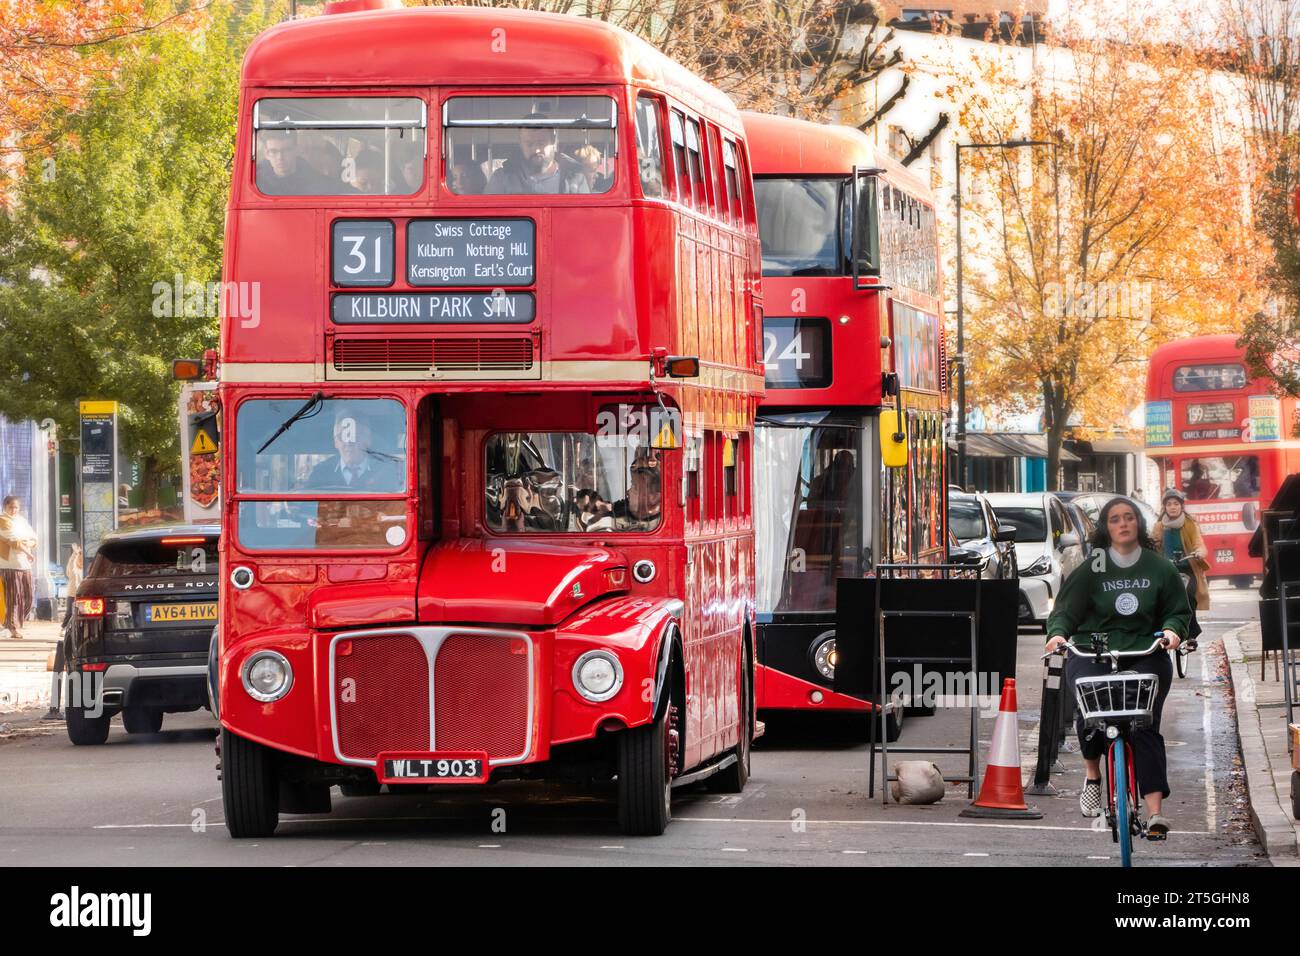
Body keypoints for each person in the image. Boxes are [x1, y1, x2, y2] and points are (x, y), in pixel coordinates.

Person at [1044, 496, 1190, 840]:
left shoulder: (1160, 568)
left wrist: (1171, 631)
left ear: (1138, 523)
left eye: (1128, 518)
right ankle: (1093, 775)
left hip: (1145, 651)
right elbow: (1065, 611)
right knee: (1090, 713)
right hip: (1093, 651)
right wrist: (1058, 635)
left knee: (1145, 726)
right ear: (1106, 529)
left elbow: (1178, 611)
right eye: (1114, 519)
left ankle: (1155, 814)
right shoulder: (1092, 568)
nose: (1123, 524)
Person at [303, 410, 402, 491]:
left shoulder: (385, 471)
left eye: (355, 436)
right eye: (343, 437)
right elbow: (308, 509)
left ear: (368, 440)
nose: (348, 443)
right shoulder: (320, 472)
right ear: (336, 442)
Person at [485, 122, 591, 195]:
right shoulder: (502, 178)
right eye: (529, 144)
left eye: (541, 143)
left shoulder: (575, 177)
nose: (536, 150)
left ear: (553, 141)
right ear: (520, 144)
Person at [1155, 487, 1209, 616]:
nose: (1172, 507)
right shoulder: (1159, 526)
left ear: (1182, 506)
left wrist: (1198, 553)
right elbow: (1153, 545)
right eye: (1169, 504)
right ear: (1164, 507)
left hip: (1188, 569)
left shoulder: (1190, 524)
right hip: (1167, 571)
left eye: (1176, 504)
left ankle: (1192, 630)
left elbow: (1199, 544)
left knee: (1189, 596)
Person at [0, 495, 38, 639]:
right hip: (10, 564)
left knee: (28, 595)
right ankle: (12, 627)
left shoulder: (21, 521)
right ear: (5, 507)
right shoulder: (2, 520)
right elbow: (14, 541)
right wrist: (28, 549)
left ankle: (14, 623)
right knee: (13, 597)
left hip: (25, 564)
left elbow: (34, 538)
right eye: (11, 507)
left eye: (16, 507)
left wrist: (26, 543)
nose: (14, 510)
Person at [257, 130, 333, 195]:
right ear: (266, 154)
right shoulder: (256, 182)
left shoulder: (317, 183)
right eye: (273, 151)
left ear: (297, 150)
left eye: (286, 150)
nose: (280, 157)